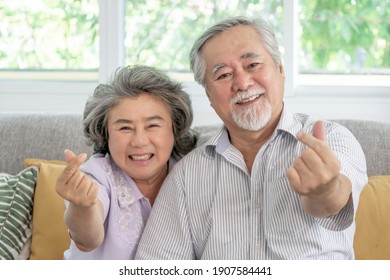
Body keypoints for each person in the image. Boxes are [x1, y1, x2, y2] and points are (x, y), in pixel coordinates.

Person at [135, 16, 368, 260]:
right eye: (223, 75)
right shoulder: (186, 175)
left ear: (280, 69)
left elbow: (332, 203)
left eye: (253, 65)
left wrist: (325, 190)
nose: (243, 83)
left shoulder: (331, 139)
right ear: (210, 96)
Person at [55, 65, 198, 259]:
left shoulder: (193, 173)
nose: (139, 141)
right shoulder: (97, 175)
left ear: (175, 129)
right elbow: (87, 239)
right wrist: (83, 206)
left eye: (153, 125)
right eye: (124, 128)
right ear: (106, 134)